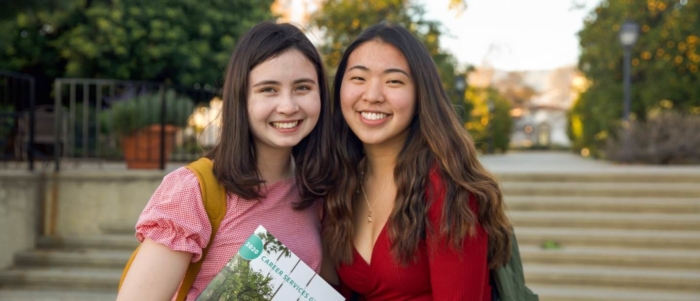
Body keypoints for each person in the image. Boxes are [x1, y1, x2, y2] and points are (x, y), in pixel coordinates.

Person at [117, 21, 334, 301]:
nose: (288, 106)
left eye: (302, 87)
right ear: (241, 98)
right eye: (268, 89)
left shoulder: (315, 192)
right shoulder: (193, 191)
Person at [322, 23, 513, 300]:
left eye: (394, 81)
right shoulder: (342, 182)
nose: (373, 95)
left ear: (420, 95)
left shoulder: (446, 188)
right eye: (358, 79)